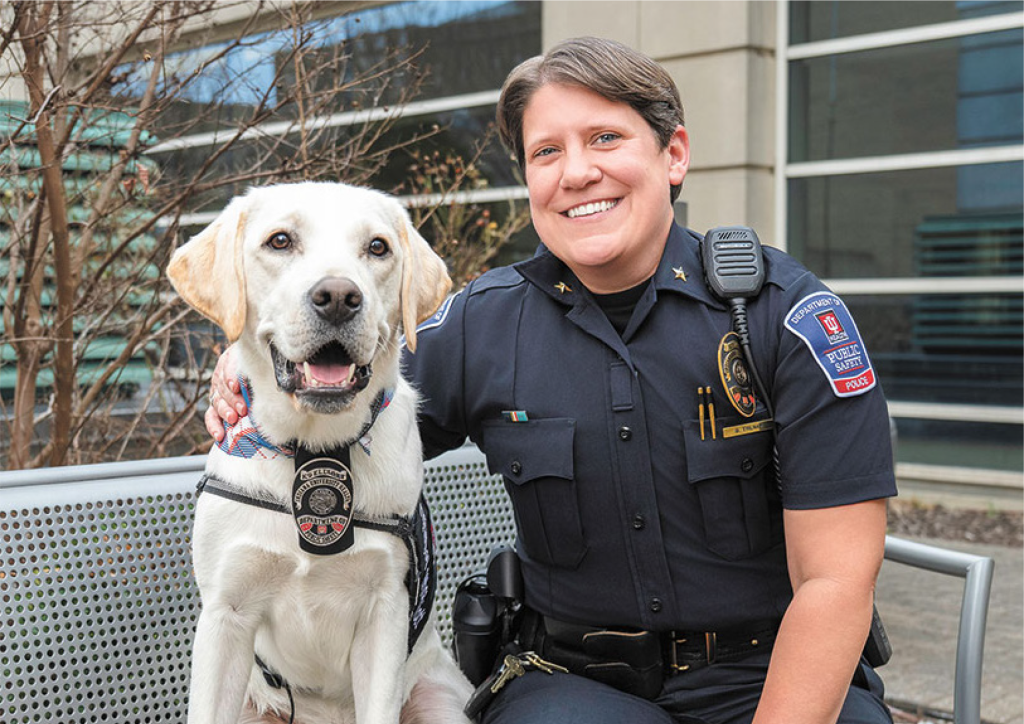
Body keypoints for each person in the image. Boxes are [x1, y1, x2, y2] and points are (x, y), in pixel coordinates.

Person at [206, 36, 896, 724]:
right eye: (547, 152)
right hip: (576, 687)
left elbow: (836, 582)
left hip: (774, 676)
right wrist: (248, 359)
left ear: (674, 153)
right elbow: (342, 380)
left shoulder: (783, 317)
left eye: (605, 137)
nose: (577, 173)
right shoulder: (479, 328)